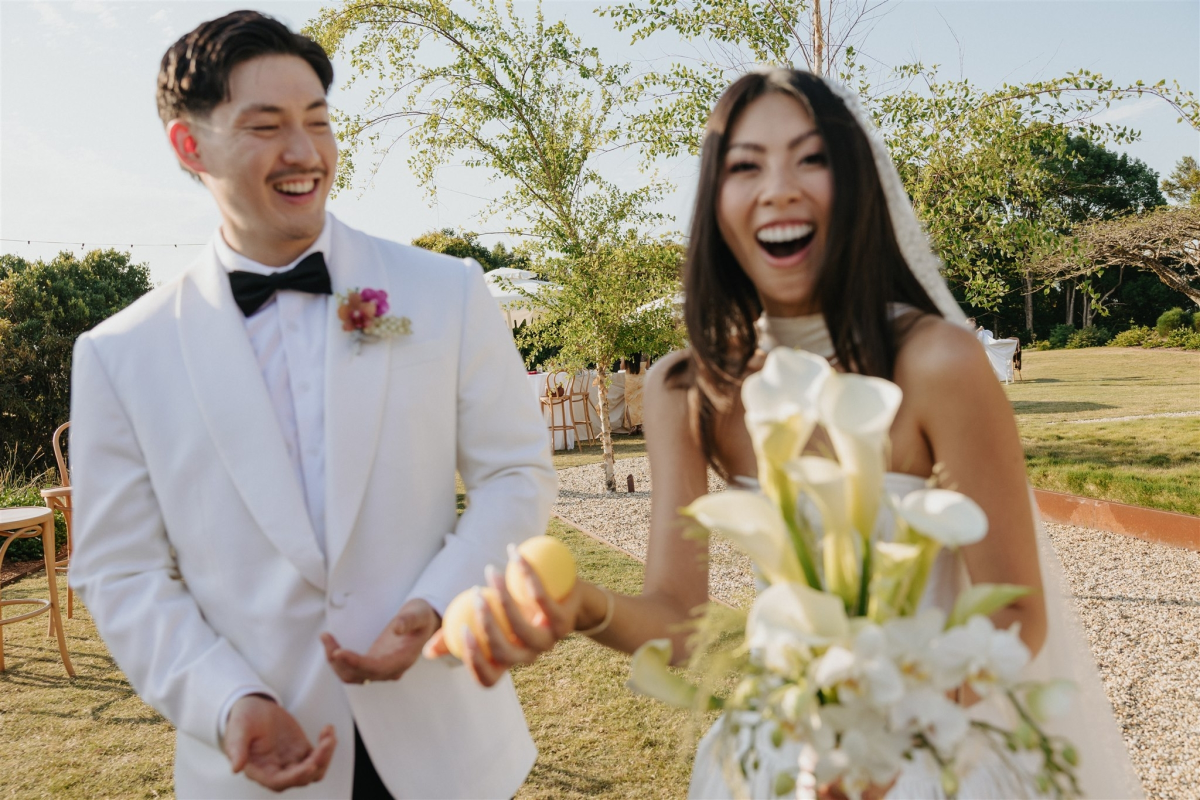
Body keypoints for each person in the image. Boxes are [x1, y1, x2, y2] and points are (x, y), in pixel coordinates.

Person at [433, 69, 1142, 799]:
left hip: (928, 755)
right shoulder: (687, 388)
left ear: (857, 188)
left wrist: (878, 743)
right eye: (746, 166)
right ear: (716, 203)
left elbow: (1016, 611)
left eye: (811, 159)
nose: (778, 189)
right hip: (776, 763)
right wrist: (583, 605)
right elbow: (678, 620)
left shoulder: (938, 363)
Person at [69, 11, 555, 799]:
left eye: (318, 121)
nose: (304, 152)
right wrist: (227, 700)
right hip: (258, 762)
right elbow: (120, 571)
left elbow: (515, 473)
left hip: (448, 748)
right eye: (266, 126)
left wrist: (439, 602)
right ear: (190, 147)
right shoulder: (120, 354)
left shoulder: (446, 291)